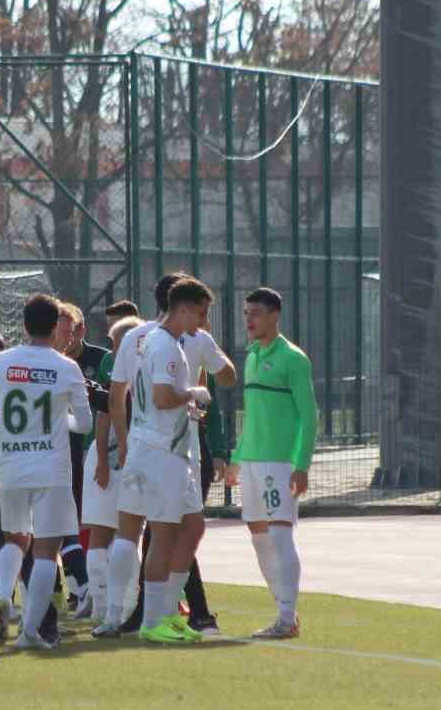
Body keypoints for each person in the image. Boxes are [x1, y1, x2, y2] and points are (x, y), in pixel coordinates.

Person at [97, 273, 237, 636]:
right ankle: (153, 621)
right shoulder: (169, 346)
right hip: (167, 451)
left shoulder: (140, 339)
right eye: (202, 314)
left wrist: (126, 442)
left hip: (145, 445)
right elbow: (163, 397)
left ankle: (137, 614)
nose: (204, 324)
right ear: (184, 309)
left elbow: (120, 395)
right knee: (163, 534)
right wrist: (194, 394)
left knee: (189, 527)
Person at [0, 294, 92, 649]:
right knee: (47, 550)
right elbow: (85, 424)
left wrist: (15, 432)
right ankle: (28, 632)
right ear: (56, 327)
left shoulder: (1, 362)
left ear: (24, 325)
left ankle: (2, 596)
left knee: (15, 537)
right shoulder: (67, 368)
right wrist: (57, 423)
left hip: (11, 466)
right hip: (52, 469)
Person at [225, 288, 317, 637]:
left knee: (280, 536)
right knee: (258, 536)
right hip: (251, 463)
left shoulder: (293, 358)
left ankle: (286, 615)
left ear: (275, 315)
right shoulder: (250, 357)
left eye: (256, 313)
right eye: (247, 312)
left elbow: (310, 417)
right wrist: (236, 458)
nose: (249, 319)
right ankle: (284, 611)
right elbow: (251, 417)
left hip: (279, 464)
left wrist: (301, 464)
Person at [79, 314, 142, 621]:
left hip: (134, 462)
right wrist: (103, 460)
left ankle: (127, 603)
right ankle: (103, 605)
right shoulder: (116, 375)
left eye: (117, 344)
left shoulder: (146, 370)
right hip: (111, 460)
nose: (113, 352)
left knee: (130, 535)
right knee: (102, 533)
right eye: (113, 344)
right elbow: (104, 417)